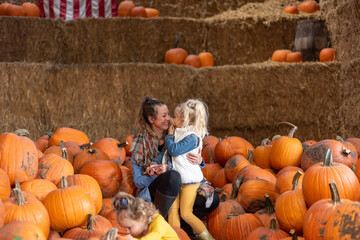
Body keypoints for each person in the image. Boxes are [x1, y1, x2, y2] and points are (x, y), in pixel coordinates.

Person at [130, 96, 219, 239]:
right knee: (173, 177)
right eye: (164, 116)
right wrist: (155, 171)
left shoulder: (176, 133)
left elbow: (183, 159)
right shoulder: (141, 144)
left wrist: (200, 160)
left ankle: (183, 229)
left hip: (184, 183)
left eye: (169, 114)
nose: (169, 118)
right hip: (156, 193)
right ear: (152, 119)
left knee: (212, 200)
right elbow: (138, 181)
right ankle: (159, 222)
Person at [165, 99, 214, 240]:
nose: (172, 119)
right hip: (177, 179)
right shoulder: (181, 132)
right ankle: (175, 237)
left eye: (174, 117)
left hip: (189, 181)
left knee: (186, 213)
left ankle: (208, 237)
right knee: (172, 210)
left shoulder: (192, 137)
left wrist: (169, 136)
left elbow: (174, 150)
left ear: (184, 119)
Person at [113, 191, 179, 240]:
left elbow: (156, 235)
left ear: (142, 218)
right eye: (125, 228)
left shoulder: (158, 222)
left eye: (129, 227)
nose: (127, 231)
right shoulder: (139, 233)